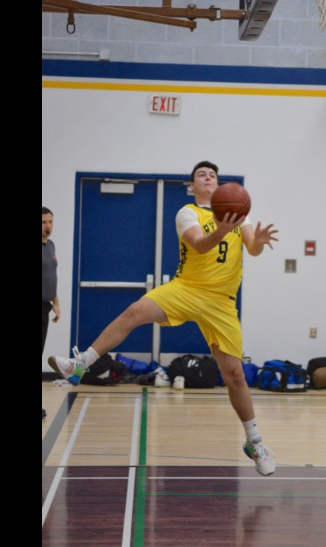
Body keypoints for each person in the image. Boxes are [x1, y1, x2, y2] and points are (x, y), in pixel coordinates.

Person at [48, 161, 280, 475]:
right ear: (193, 185)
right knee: (134, 312)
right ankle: (81, 364)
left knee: (235, 375)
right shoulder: (187, 213)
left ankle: (254, 440)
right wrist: (223, 230)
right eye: (201, 175)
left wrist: (260, 242)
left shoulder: (239, 213)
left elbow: (251, 248)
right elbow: (199, 245)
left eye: (212, 174)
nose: (208, 177)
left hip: (222, 302)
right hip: (187, 287)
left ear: (219, 183)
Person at [42, 207, 61, 420]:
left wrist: (56, 302)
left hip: (45, 307)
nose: (48, 226)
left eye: (50, 222)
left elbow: (50, 276)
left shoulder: (51, 246)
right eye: (43, 222)